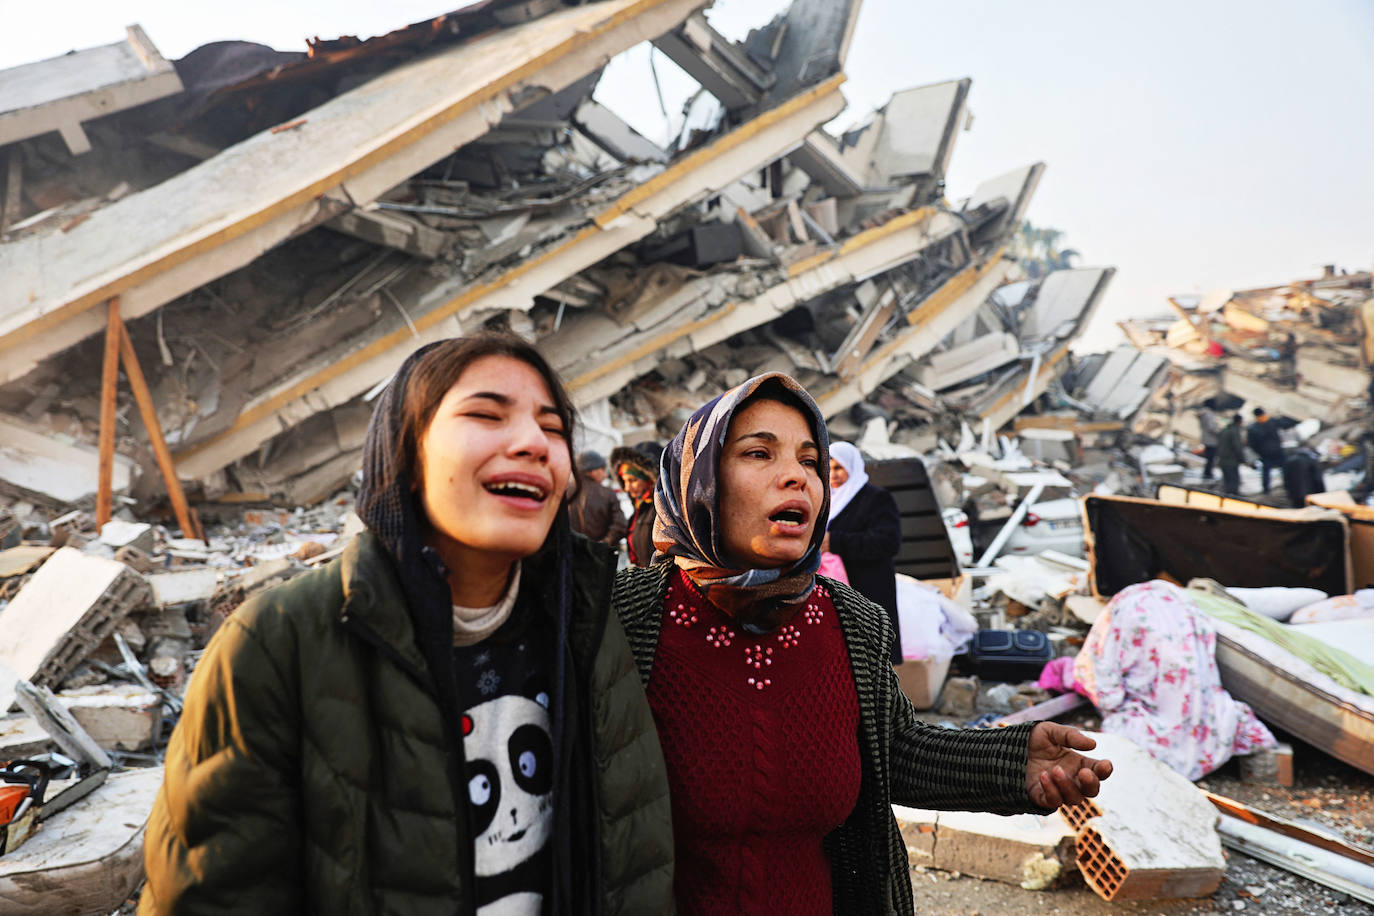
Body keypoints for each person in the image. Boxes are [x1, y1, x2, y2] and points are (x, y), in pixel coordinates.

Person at [141, 333, 673, 915]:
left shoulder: (592, 627)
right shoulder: (277, 642)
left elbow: (633, 866)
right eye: (485, 414)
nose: (532, 443)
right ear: (406, 453)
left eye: (552, 427)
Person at [614, 372, 1112, 916]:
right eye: (759, 454)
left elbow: (890, 751)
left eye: (810, 462)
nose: (796, 478)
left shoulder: (851, 621)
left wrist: (1015, 763)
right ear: (697, 480)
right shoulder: (619, 619)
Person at [824, 442, 902, 662]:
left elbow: (888, 542)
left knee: (872, 655)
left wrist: (836, 542)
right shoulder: (827, 499)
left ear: (852, 466)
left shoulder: (875, 498)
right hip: (838, 590)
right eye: (829, 468)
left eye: (839, 468)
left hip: (869, 588)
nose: (834, 475)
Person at [612, 444, 658, 568]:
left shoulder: (661, 511)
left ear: (649, 479)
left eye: (632, 480)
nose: (627, 488)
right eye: (624, 481)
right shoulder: (639, 511)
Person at [570, 450, 628, 547]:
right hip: (600, 557)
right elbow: (620, 526)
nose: (605, 475)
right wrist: (603, 545)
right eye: (602, 469)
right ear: (591, 471)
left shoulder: (563, 493)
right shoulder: (607, 493)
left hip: (571, 555)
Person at [1246, 407, 1286, 495]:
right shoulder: (1272, 421)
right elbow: (1285, 424)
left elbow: (1251, 444)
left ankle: (1266, 490)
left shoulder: (1253, 427)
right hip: (1277, 450)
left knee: (1266, 472)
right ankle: (1287, 486)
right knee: (1284, 469)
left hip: (1265, 453)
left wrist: (1259, 452)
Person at [1197, 402, 1220, 480]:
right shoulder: (1209, 415)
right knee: (1211, 457)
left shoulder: (1203, 414)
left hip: (1206, 438)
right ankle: (1208, 473)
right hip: (1211, 439)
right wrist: (1218, 432)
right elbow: (1212, 427)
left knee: (1209, 457)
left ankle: (1207, 472)